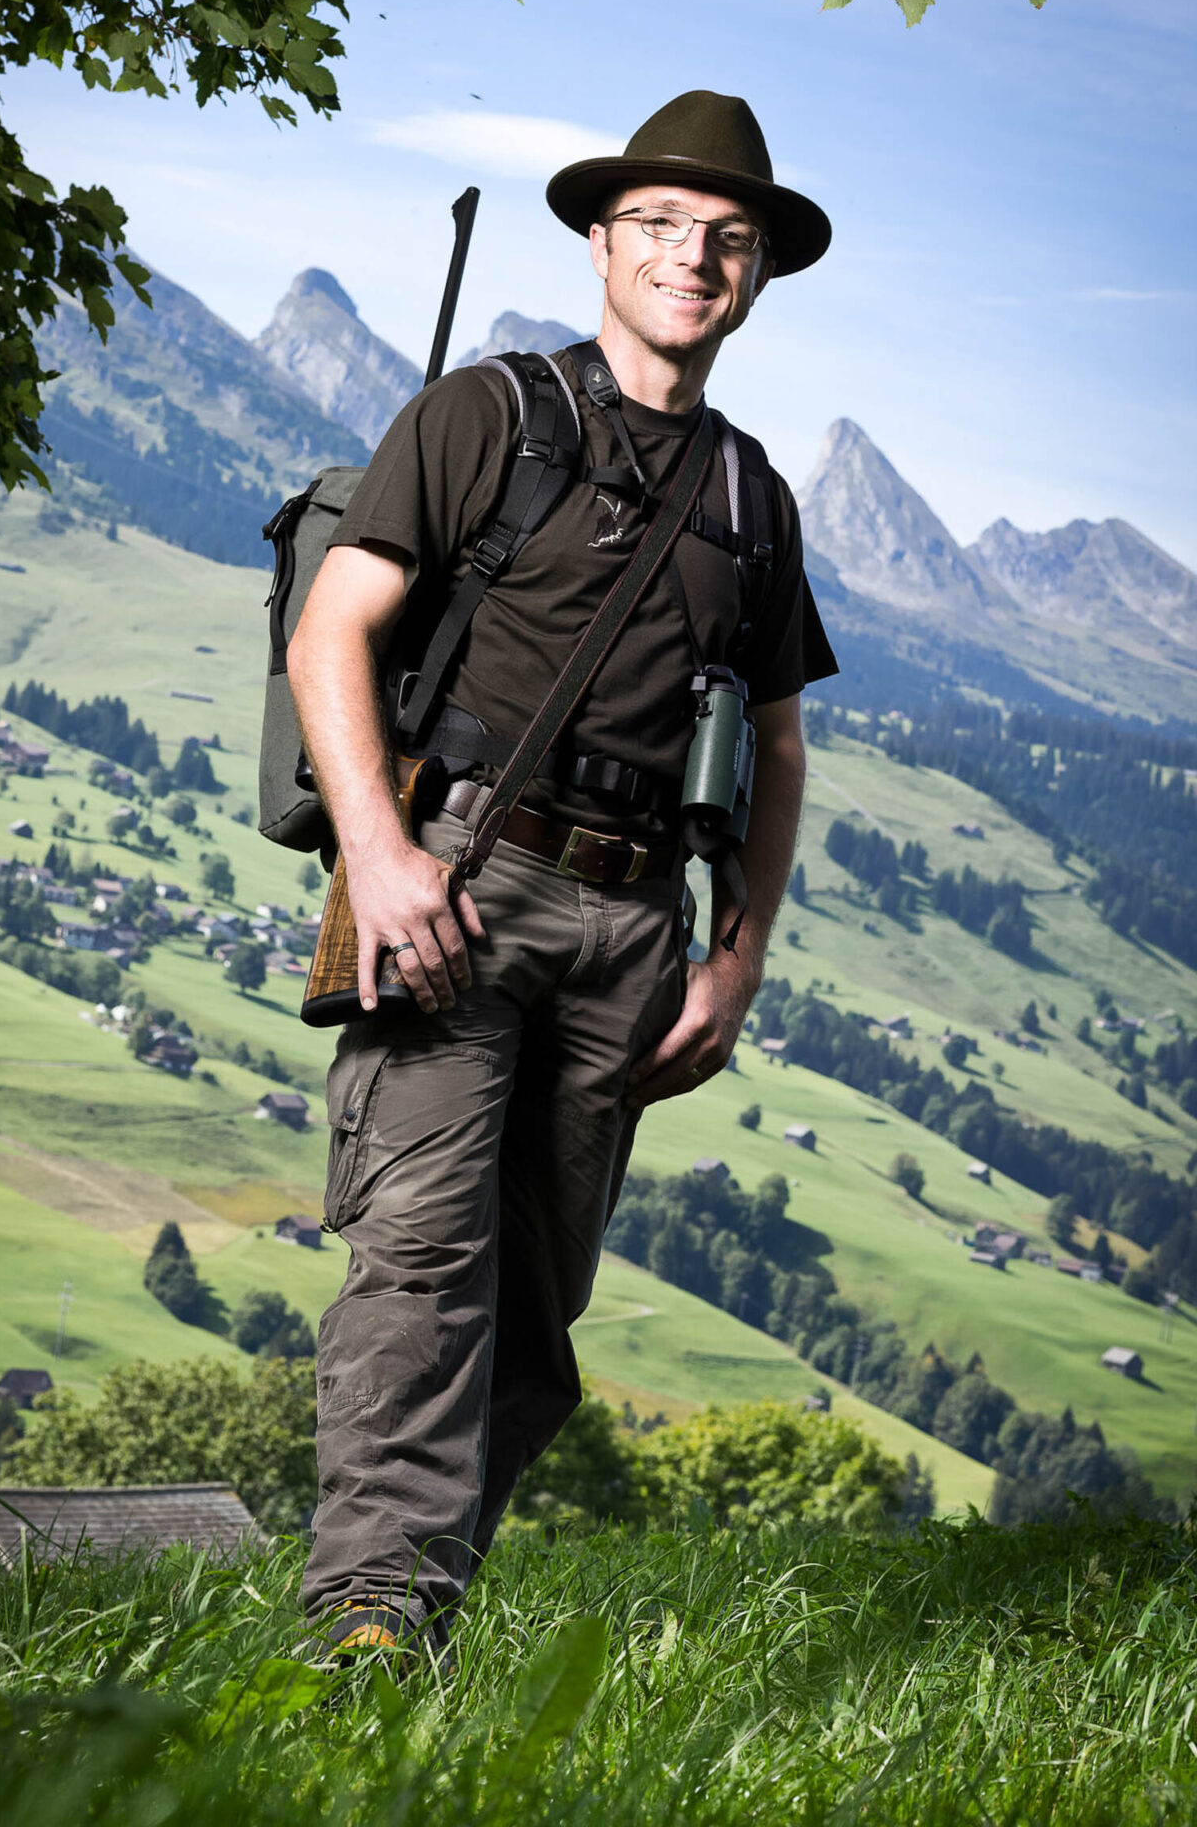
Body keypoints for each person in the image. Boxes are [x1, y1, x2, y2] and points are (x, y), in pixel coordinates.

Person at [287, 90, 838, 1654]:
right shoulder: (491, 415)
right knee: (422, 1262)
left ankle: (423, 1599)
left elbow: (778, 749)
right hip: (454, 879)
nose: (694, 257)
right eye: (662, 225)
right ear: (602, 243)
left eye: (727, 239)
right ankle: (371, 1626)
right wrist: (381, 856)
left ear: (757, 277)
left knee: (535, 1317)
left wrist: (736, 959)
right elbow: (331, 631)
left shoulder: (754, 499)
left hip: (632, 934)